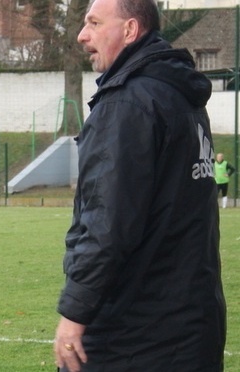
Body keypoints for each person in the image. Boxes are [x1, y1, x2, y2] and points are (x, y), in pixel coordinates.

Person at [53, 0, 226, 371]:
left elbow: (107, 223)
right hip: (193, 321)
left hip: (135, 333)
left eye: (95, 23)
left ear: (130, 31)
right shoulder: (179, 95)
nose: (83, 35)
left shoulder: (129, 103)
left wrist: (74, 313)